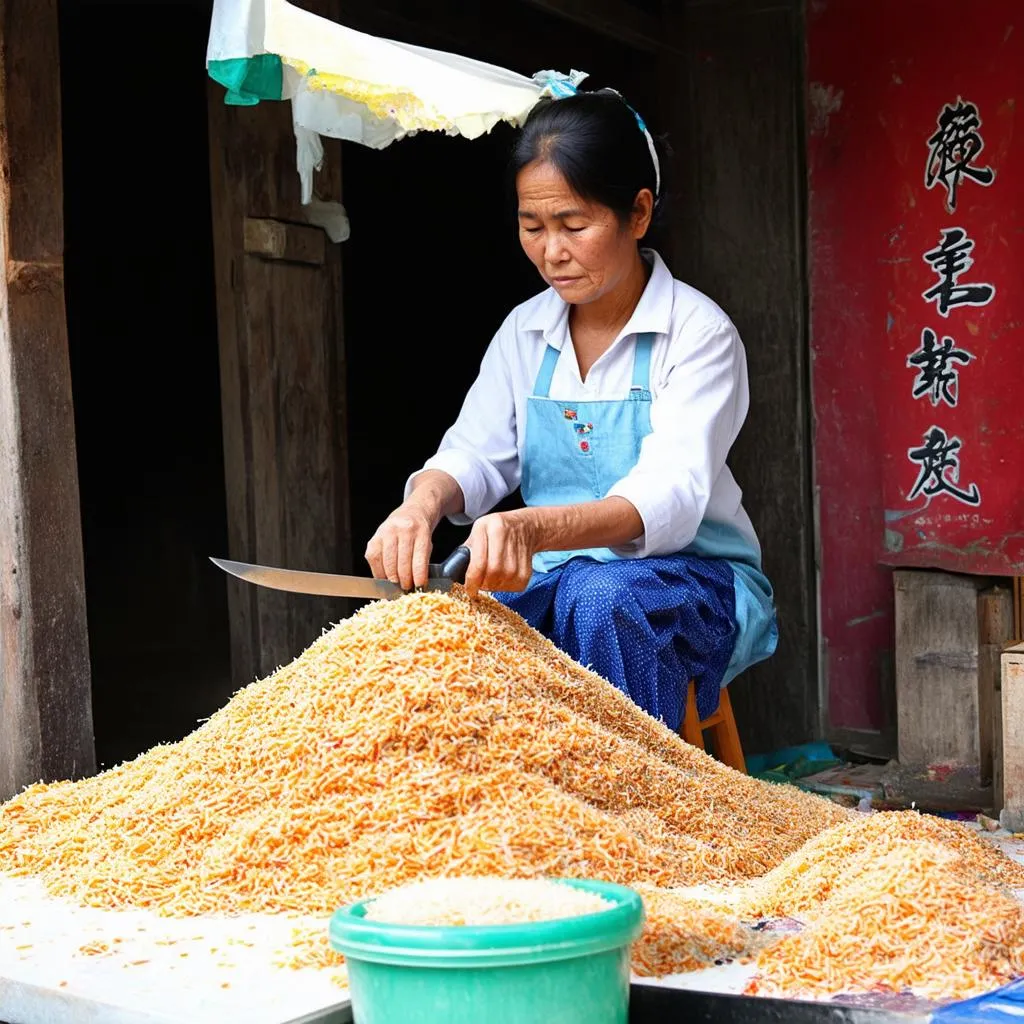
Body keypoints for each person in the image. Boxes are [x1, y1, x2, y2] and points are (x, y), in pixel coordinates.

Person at [365, 86, 777, 731]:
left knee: (601, 597)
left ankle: (637, 810)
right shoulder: (525, 331)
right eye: (533, 227)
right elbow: (475, 452)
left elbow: (667, 495)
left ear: (638, 213)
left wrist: (532, 529)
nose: (551, 252)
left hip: (692, 582)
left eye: (574, 226)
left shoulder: (698, 333)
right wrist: (418, 506)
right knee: (437, 619)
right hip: (557, 577)